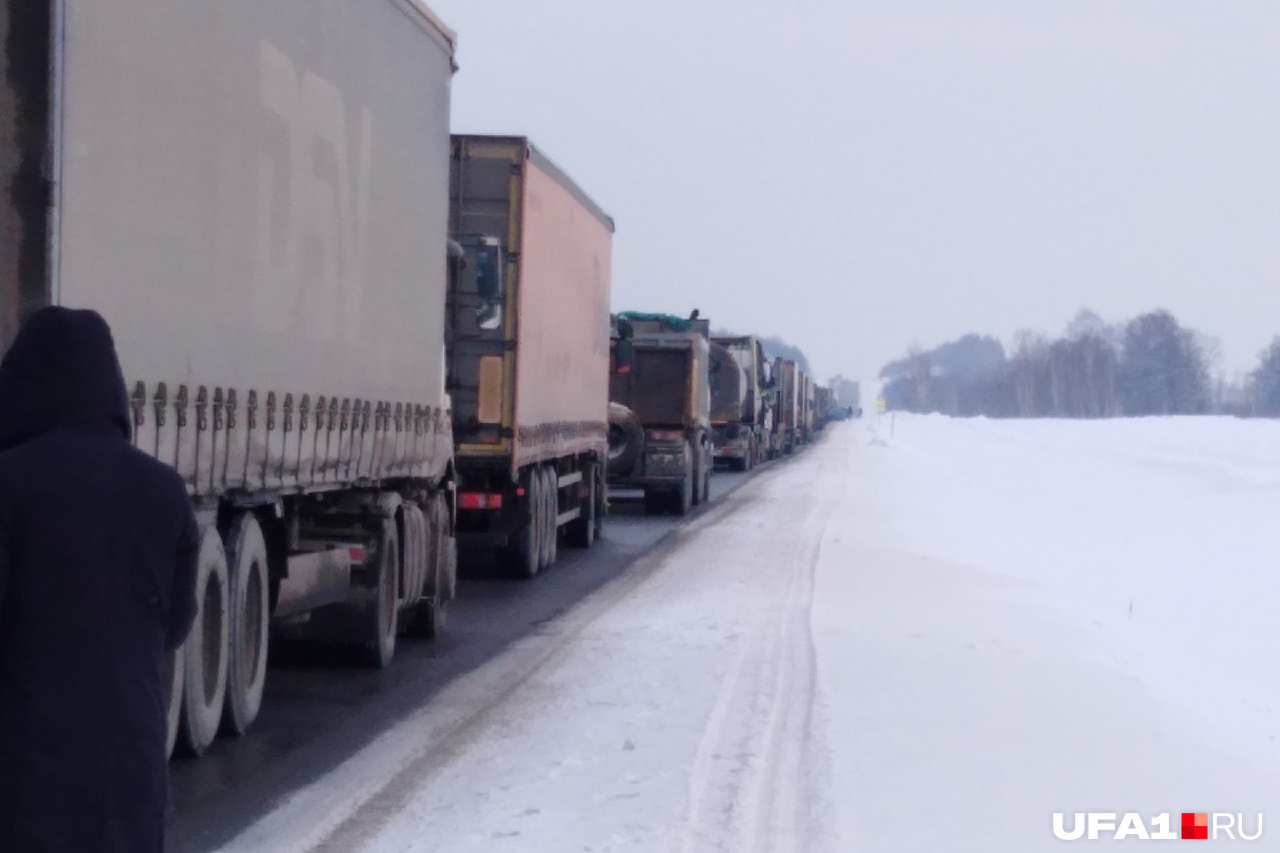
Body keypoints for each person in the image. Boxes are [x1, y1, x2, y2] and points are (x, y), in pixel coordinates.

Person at [0, 307, 198, 852]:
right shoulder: (165, 491)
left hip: (27, 776)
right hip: (130, 767)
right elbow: (176, 624)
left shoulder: (11, 483)